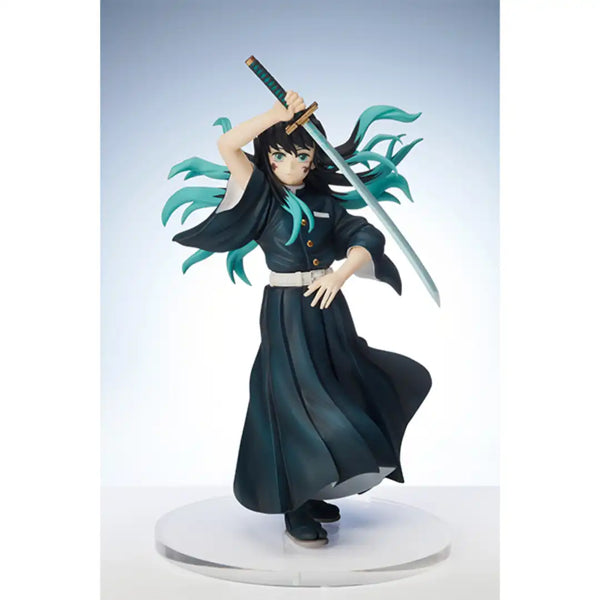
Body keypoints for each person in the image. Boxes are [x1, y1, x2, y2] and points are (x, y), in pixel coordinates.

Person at [164, 91, 432, 547]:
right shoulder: (260, 194)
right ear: (268, 158)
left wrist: (342, 273)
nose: (291, 165)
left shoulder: (325, 202)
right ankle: (294, 502)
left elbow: (364, 234)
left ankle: (315, 488)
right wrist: (276, 114)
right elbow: (228, 145)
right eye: (280, 155)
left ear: (313, 160)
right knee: (293, 400)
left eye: (302, 155)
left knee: (343, 388)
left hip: (329, 309)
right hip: (286, 311)